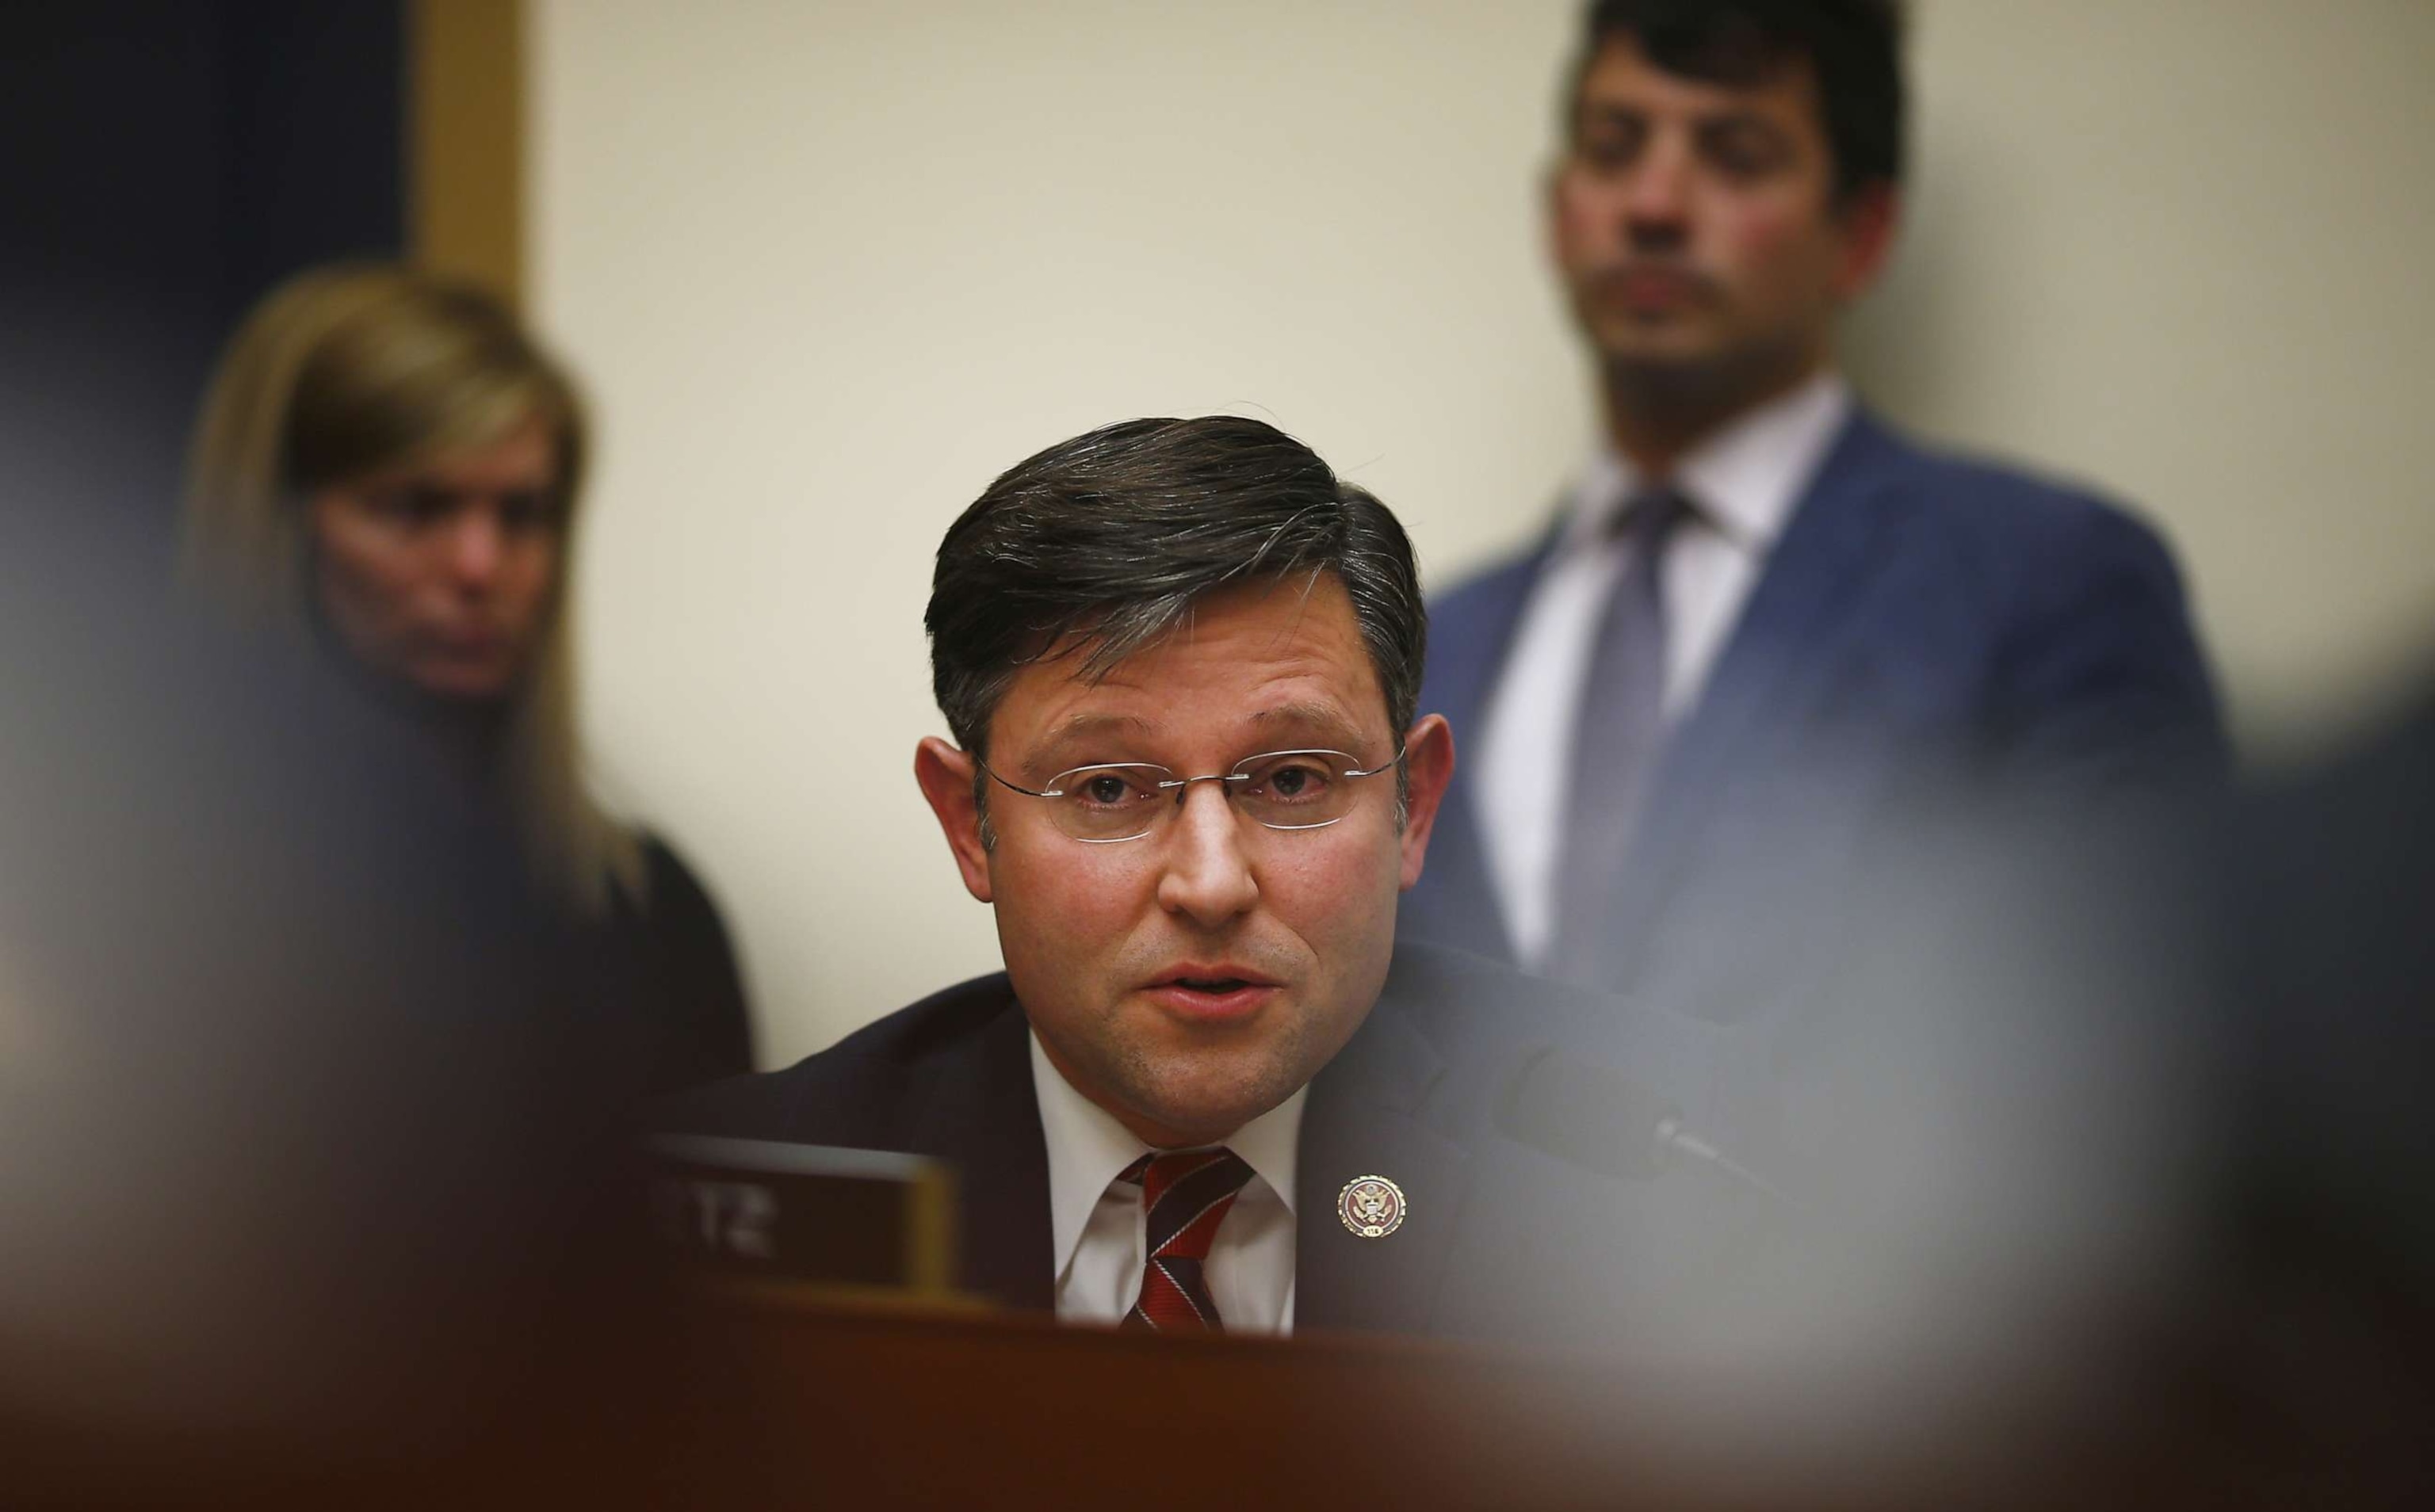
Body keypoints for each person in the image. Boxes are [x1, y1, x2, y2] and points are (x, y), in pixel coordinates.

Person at [671, 415, 1727, 1339]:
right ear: (971, 825)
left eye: (1294, 777)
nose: (1213, 884)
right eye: (1109, 790)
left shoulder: (1666, 1172)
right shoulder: (728, 1210)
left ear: (1416, 806)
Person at [1401, 0, 2224, 1021]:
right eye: (1614, 149)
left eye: (1736, 154)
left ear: (1863, 233)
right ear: (1557, 209)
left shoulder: (2049, 582)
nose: (1653, 202)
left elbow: (2141, 1038)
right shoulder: (1434, 642)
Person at [181, 264, 753, 1096]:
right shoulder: (140, 910)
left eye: (523, 515)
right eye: (413, 508)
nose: (480, 566)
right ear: (278, 523)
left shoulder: (645, 911)